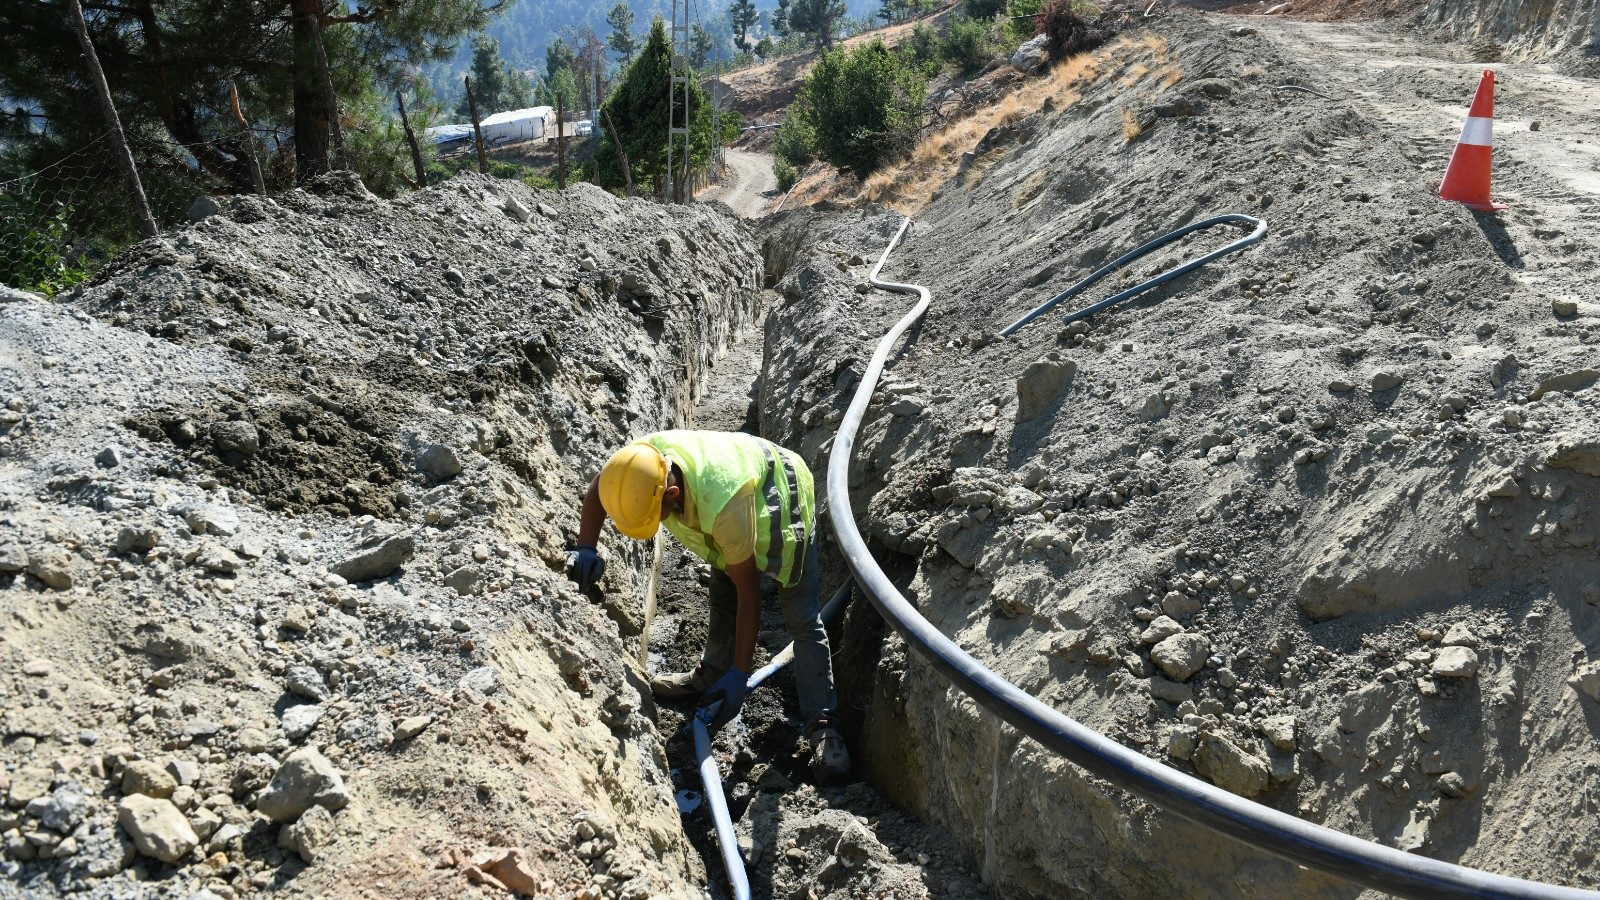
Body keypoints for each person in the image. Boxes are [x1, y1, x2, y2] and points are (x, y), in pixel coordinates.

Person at [567, 429, 850, 779]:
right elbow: (602, 485)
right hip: (733, 485)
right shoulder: (640, 464)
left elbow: (750, 596)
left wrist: (741, 675)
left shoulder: (725, 508)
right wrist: (586, 546)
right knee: (722, 590)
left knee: (802, 617)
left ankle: (823, 724)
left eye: (657, 516)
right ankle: (712, 674)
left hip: (781, 493)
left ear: (672, 494)